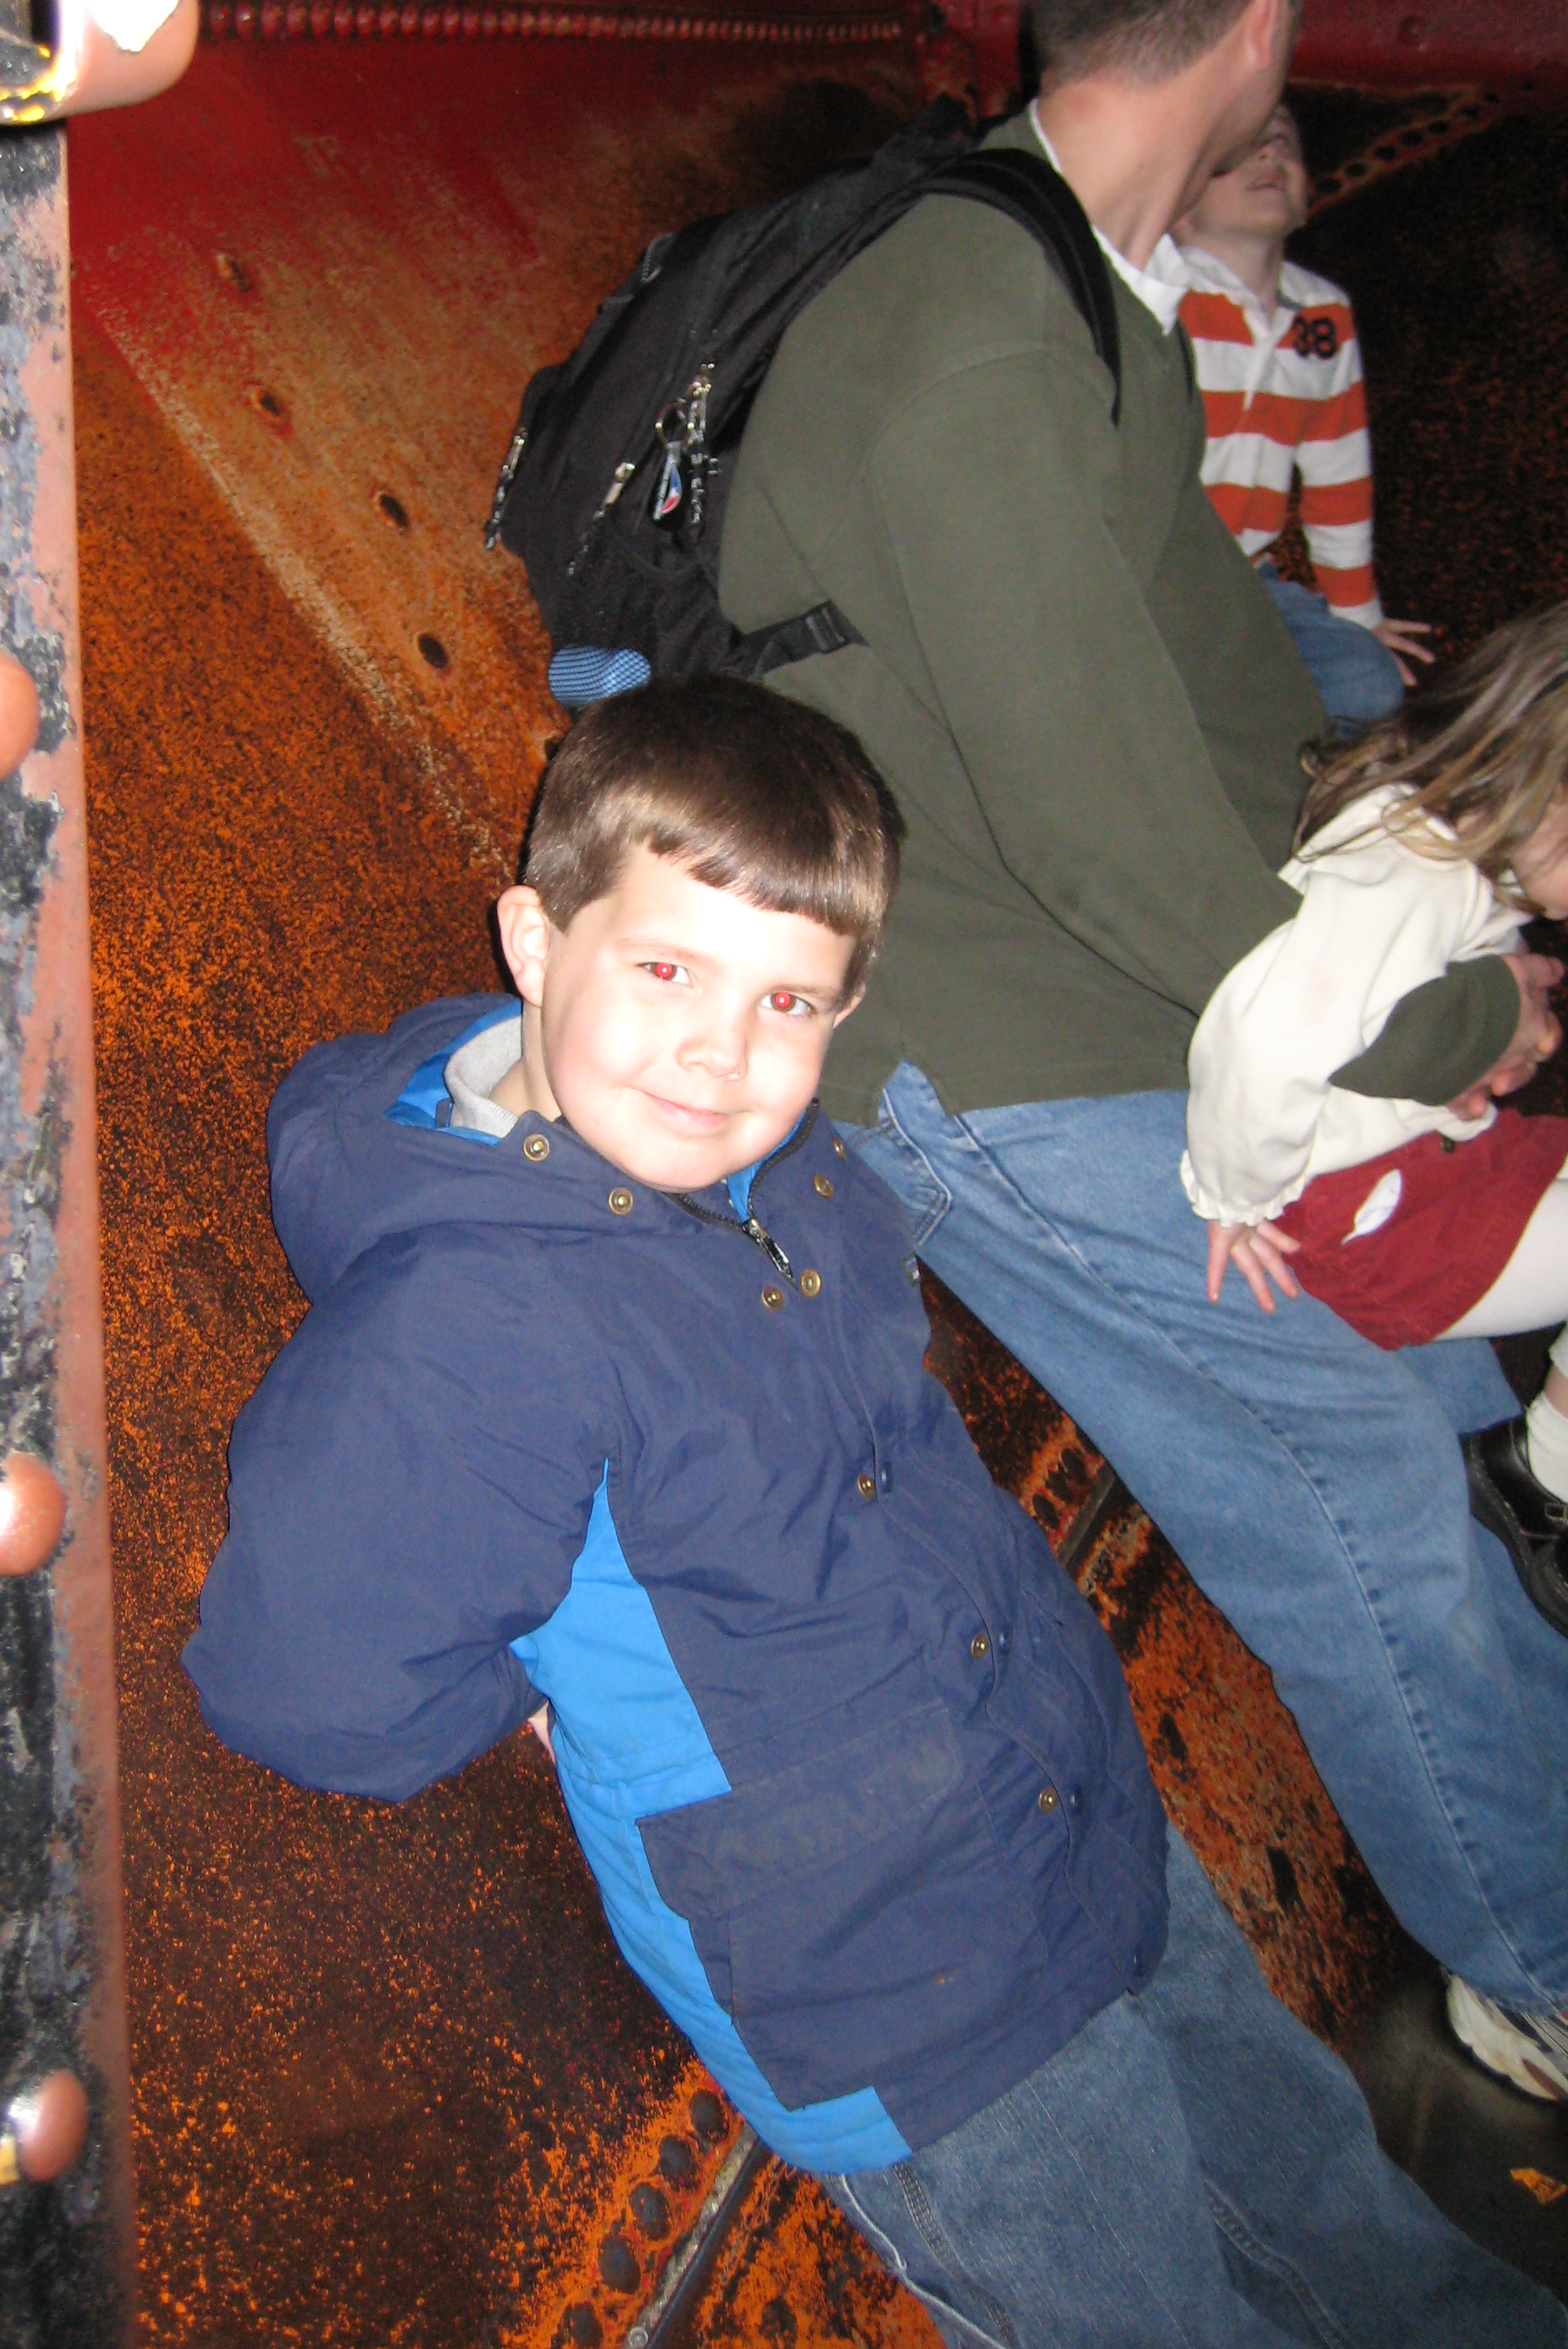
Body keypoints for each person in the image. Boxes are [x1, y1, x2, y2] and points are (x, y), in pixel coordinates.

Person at [184, 679, 1562, 2347]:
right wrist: (537, 1685)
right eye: (667, 970)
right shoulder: (471, 1322)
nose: (721, 1052)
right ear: (535, 940)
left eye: (789, 1000)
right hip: (899, 1994)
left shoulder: (787, 1163)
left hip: (1072, 1814)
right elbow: (311, 1693)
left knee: (1340, 2209)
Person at [717, 0, 1568, 2099]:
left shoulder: (1079, 297)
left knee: (1423, 1359)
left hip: (1090, 972)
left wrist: (1428, 898)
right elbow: (1116, 841)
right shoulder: (983, 337)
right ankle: (1540, 1956)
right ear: (1267, 19)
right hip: (961, 1039)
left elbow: (1236, 701)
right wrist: (1444, 1014)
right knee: (1351, 1468)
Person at [1185, 604, 1568, 1659]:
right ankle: (1543, 1473)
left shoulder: (1445, 846)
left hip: (1425, 1168)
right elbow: (1268, 1037)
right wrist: (1232, 1196)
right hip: (1372, 1225)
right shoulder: (1414, 868)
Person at [1174, 98, 1432, 731]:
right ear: (1178, 200)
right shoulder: (1160, 296)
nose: (1271, 152)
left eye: (1286, 142)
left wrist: (1358, 618)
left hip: (1246, 580)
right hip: (1153, 568)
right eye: (1242, 145)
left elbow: (1339, 483)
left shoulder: (1324, 316)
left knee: (1369, 686)